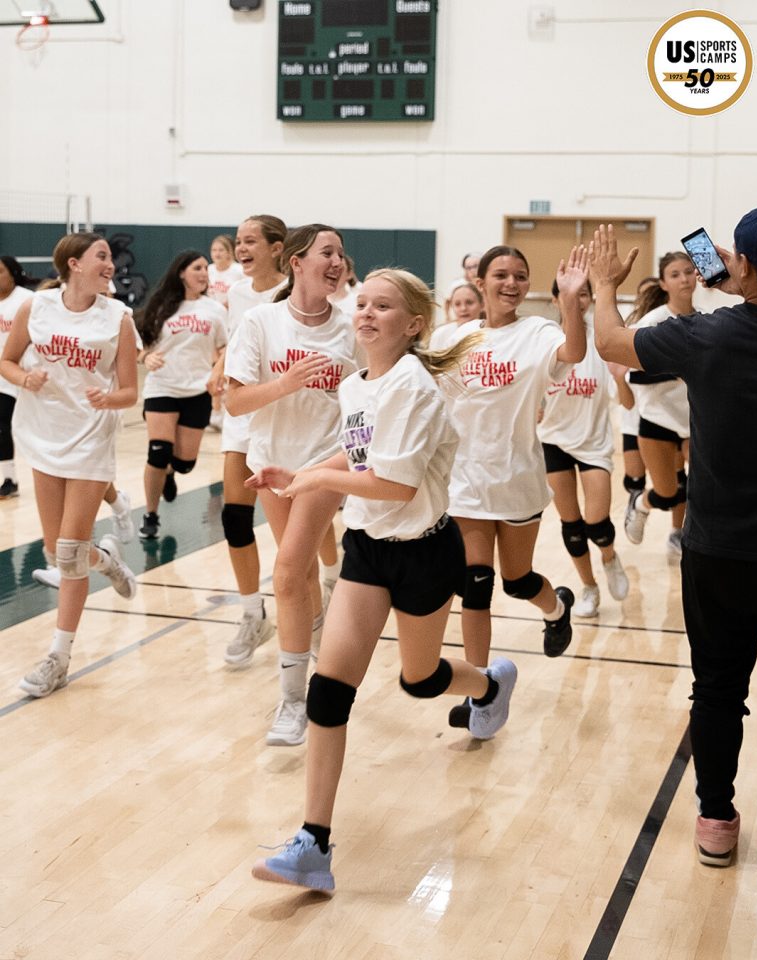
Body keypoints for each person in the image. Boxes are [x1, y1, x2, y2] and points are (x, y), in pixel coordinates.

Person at [250, 268, 518, 892]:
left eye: (384, 306)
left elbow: (395, 485)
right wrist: (302, 471)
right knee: (328, 692)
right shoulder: (356, 385)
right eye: (362, 303)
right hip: (368, 552)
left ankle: (490, 683)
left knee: (420, 680)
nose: (367, 313)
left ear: (414, 324)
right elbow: (359, 453)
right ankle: (313, 845)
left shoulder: (415, 386)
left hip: (426, 554)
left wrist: (319, 482)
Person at [589, 213, 757, 871]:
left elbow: (610, 341)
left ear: (741, 265)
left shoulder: (708, 336)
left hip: (720, 548)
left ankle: (716, 819)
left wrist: (605, 284)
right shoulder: (716, 326)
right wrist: (747, 278)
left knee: (717, 689)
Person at [440, 244, 586, 735]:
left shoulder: (538, 332)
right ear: (479, 281)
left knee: (518, 580)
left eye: (520, 276)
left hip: (518, 478)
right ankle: (480, 691)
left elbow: (573, 352)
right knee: (475, 585)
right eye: (500, 274)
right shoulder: (453, 338)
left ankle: (557, 608)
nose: (511, 283)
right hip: (466, 483)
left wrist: (571, 302)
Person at [225, 224, 360, 746]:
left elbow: (368, 400)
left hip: (324, 464)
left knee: (284, 575)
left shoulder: (351, 328)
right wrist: (284, 384)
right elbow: (235, 401)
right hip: (270, 462)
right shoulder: (261, 321)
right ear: (297, 262)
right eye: (328, 252)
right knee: (300, 577)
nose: (337, 261)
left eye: (341, 254)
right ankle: (321, 646)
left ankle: (293, 701)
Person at [0, 232, 138, 698]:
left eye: (110, 258)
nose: (110, 265)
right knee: (55, 551)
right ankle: (108, 561)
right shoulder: (36, 307)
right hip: (43, 433)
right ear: (74, 264)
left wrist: (108, 398)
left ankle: (58, 658)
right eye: (102, 256)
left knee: (69, 552)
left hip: (91, 438)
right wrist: (26, 377)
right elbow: (6, 362)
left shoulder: (118, 318)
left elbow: (129, 391)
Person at [207, 214, 287, 666]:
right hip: (242, 410)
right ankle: (253, 613)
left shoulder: (294, 292)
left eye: (250, 240)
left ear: (277, 248)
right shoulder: (237, 293)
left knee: (298, 528)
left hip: (285, 415)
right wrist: (219, 368)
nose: (241, 248)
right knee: (235, 519)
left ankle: (330, 578)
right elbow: (236, 342)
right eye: (238, 241)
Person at [537, 276, 629, 618]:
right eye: (569, 295)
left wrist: (620, 378)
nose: (577, 300)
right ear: (555, 300)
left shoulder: (602, 342)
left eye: (584, 294)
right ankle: (589, 586)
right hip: (553, 441)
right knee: (571, 525)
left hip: (593, 443)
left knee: (597, 524)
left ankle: (609, 556)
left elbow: (627, 403)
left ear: (590, 299)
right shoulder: (544, 341)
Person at [136, 249, 227, 539]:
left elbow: (224, 347)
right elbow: (138, 346)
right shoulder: (160, 306)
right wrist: (146, 357)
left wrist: (219, 371)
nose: (204, 273)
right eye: (197, 268)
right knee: (158, 452)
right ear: (181, 273)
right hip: (161, 386)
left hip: (197, 390)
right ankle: (150, 515)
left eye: (206, 268)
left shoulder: (215, 310)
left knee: (185, 463)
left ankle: (171, 473)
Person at [622, 253, 696, 554]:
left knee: (698, 486)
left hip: (692, 419)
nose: (684, 279)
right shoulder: (652, 322)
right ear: (664, 283)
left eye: (689, 272)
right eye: (675, 274)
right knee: (667, 494)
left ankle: (681, 535)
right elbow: (632, 375)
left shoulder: (704, 319)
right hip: (658, 419)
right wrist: (677, 370)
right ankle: (640, 505)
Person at [0, 255, 34, 498]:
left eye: (0, 271)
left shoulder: (27, 300)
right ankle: (9, 478)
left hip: (22, 372)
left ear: (13, 274)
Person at [431, 279, 483, 351]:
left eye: (469, 302)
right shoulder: (440, 334)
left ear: (482, 305)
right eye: (457, 304)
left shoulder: (489, 333)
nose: (463, 308)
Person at [207, 234, 243, 306]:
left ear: (229, 252)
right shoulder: (208, 269)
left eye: (221, 250)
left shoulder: (240, 270)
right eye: (214, 250)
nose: (217, 254)